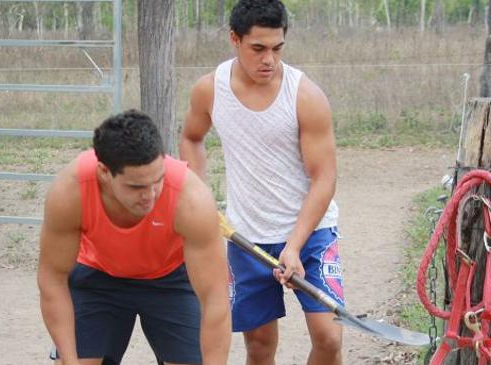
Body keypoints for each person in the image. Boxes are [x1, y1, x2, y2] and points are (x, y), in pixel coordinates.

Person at [179, 1, 343, 364]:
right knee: (259, 346)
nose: (269, 59)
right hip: (247, 236)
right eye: (258, 48)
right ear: (234, 39)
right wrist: (199, 197)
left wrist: (295, 245)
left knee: (329, 337)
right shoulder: (209, 90)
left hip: (311, 233)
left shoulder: (305, 95)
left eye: (277, 48)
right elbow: (191, 137)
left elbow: (324, 177)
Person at [37, 110, 231, 365]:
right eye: (136, 187)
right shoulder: (70, 192)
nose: (150, 195)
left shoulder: (191, 198)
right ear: (105, 172)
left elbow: (215, 297)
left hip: (170, 279)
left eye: (158, 180)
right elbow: (52, 279)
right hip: (98, 276)